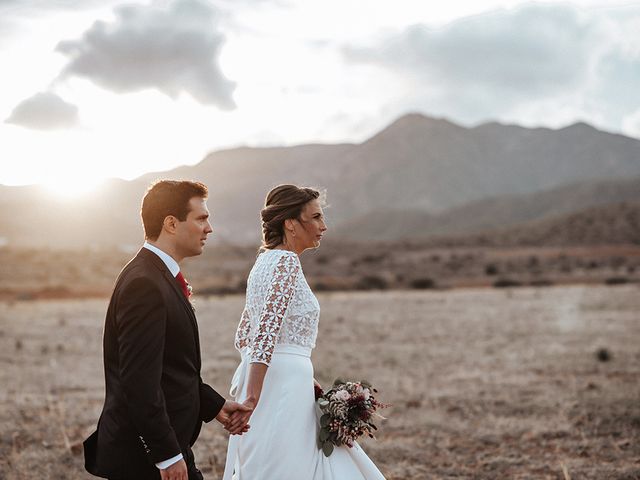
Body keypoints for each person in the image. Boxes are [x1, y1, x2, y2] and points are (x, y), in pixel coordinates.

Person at [83, 180, 252, 480]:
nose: (209, 228)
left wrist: (213, 405)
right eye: (201, 218)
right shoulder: (144, 284)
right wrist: (167, 456)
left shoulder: (157, 275)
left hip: (165, 444)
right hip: (145, 457)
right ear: (171, 224)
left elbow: (169, 368)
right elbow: (138, 381)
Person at [222, 184, 386, 480]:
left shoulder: (262, 262)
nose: (324, 226)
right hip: (282, 383)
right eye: (316, 217)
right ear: (291, 224)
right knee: (290, 465)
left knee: (277, 461)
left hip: (278, 376)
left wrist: (293, 378)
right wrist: (253, 398)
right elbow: (264, 335)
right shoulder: (285, 262)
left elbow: (244, 336)